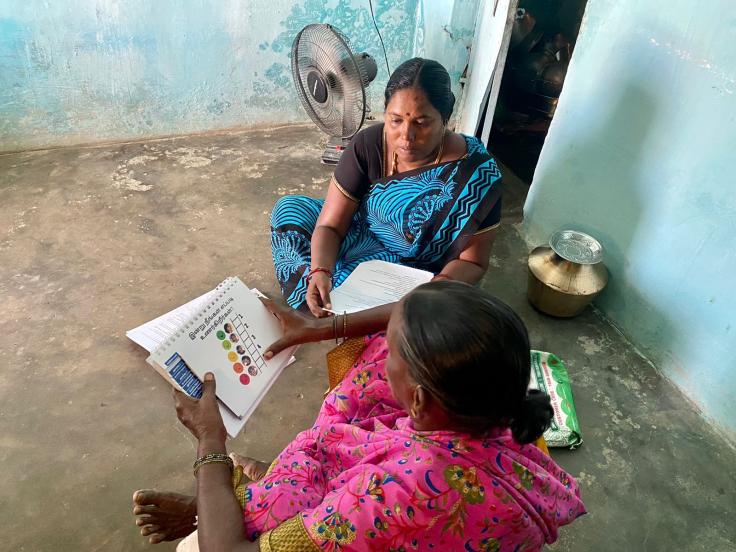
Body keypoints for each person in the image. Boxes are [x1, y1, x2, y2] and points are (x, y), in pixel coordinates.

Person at [133, 281, 585, 550]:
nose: (384, 361)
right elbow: (414, 308)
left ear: (420, 404)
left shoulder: (395, 496)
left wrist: (210, 442)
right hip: (435, 496)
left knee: (199, 546)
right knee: (358, 388)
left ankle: (233, 506)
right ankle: (256, 492)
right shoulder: (496, 400)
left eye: (396, 366)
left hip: (409, 507)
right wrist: (320, 328)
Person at [271, 58, 503, 319]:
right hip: (361, 233)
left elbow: (472, 262)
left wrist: (436, 287)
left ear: (445, 119)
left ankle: (361, 315)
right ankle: (342, 304)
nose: (406, 136)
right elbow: (331, 225)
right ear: (385, 112)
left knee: (440, 317)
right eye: (395, 120)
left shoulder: (476, 175)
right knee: (289, 212)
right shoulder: (368, 145)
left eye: (422, 122)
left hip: (422, 270)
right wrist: (321, 271)